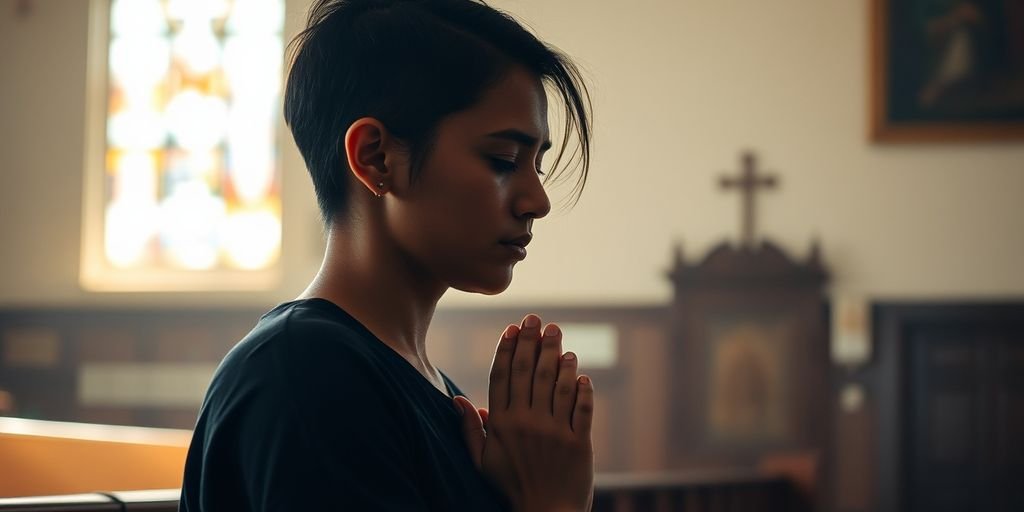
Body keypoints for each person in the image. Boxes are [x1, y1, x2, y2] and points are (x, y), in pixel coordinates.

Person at [179, 0, 594, 510]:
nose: (538, 201)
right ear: (375, 157)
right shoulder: (305, 376)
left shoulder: (430, 390)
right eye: (503, 160)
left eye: (537, 165)